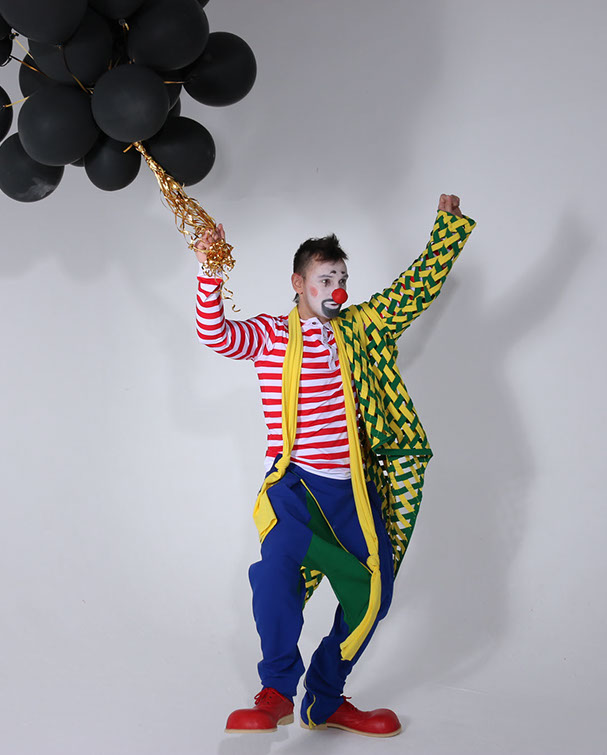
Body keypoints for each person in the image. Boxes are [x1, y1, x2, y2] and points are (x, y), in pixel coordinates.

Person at [194, 195, 476, 737]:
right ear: (298, 283)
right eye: (325, 279)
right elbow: (217, 334)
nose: (336, 289)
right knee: (275, 571)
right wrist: (210, 272)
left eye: (342, 278)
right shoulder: (272, 335)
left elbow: (415, 290)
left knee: (373, 595)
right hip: (296, 488)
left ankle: (325, 697)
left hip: (353, 494)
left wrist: (446, 230)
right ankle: (276, 692)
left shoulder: (360, 328)